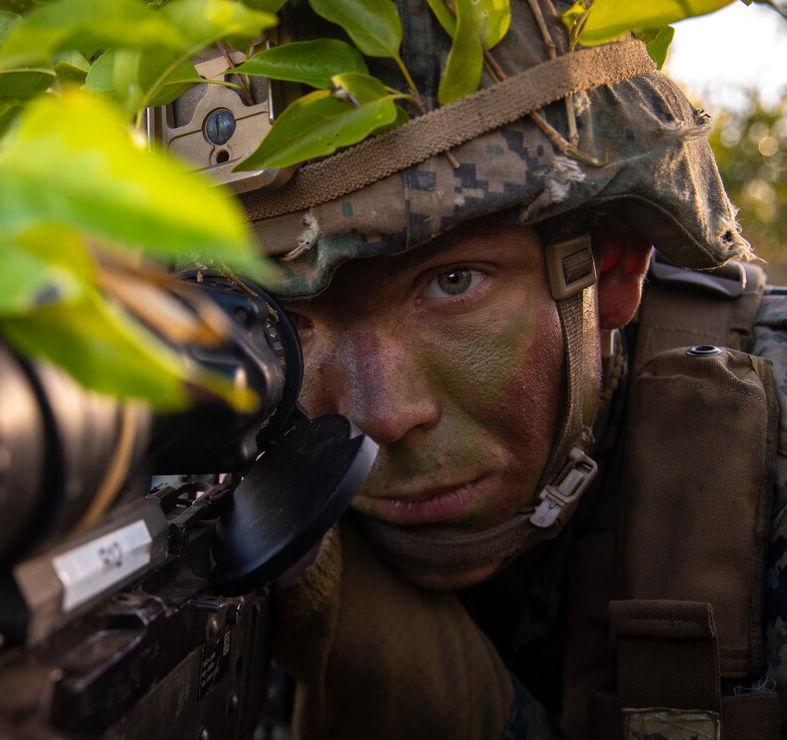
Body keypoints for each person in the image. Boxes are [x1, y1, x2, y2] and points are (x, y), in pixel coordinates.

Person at [241, 0, 787, 737]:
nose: (381, 415)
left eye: (453, 282)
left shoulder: (774, 439)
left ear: (612, 264)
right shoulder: (222, 482)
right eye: (291, 321)